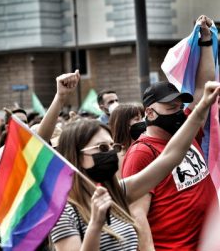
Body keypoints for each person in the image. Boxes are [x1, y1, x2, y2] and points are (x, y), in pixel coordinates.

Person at [49, 80, 220, 250]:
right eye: (101, 148)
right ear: (76, 156)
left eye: (112, 147)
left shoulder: (117, 193)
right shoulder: (66, 212)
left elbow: (170, 156)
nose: (110, 153)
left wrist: (203, 104)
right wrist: (95, 225)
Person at [122, 15, 216, 250]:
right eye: (170, 108)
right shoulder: (141, 154)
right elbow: (138, 216)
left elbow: (202, 90)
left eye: (179, 107)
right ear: (150, 113)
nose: (178, 112)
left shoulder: (185, 129)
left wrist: (205, 41)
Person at [108, 103, 145, 177]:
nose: (142, 122)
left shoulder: (142, 145)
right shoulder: (118, 155)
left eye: (142, 118)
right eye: (137, 119)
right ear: (123, 124)